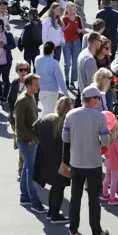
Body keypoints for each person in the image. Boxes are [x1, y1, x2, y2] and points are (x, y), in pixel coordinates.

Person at [61, 86, 111, 235]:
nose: (99, 100)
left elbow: (65, 138)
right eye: (98, 98)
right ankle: (96, 231)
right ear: (92, 99)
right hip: (94, 163)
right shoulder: (100, 117)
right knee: (94, 198)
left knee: (75, 196)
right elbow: (106, 141)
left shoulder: (70, 114)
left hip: (76, 162)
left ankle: (73, 228)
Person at [34, 96, 73, 224]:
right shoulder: (65, 123)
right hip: (61, 161)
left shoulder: (45, 119)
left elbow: (34, 128)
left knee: (54, 188)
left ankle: (51, 213)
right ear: (67, 108)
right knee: (59, 188)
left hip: (46, 159)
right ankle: (55, 214)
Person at [14, 74, 46, 212]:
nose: (38, 87)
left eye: (38, 84)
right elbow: (19, 125)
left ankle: (25, 197)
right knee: (32, 172)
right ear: (28, 85)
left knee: (28, 168)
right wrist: (30, 139)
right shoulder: (22, 101)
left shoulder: (31, 97)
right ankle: (35, 201)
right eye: (36, 85)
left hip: (32, 140)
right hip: (27, 142)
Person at [34, 42, 66, 117]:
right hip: (51, 92)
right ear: (52, 51)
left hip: (40, 91)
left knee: (46, 111)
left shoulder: (37, 59)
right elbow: (60, 80)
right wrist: (66, 94)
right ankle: (40, 127)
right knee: (48, 114)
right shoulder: (54, 63)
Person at [102, 115, 118, 206]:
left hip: (107, 161)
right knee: (114, 181)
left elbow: (104, 152)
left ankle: (105, 194)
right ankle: (112, 198)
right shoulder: (116, 142)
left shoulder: (106, 140)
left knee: (107, 178)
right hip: (115, 163)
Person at [77, 32, 102, 99]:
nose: (101, 43)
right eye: (100, 41)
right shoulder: (90, 59)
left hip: (84, 95)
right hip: (90, 99)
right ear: (96, 42)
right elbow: (92, 83)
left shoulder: (83, 53)